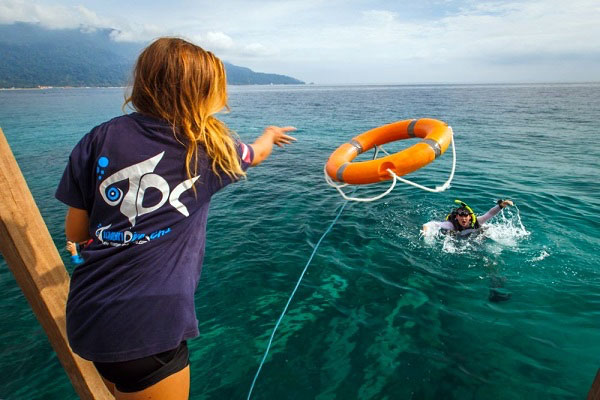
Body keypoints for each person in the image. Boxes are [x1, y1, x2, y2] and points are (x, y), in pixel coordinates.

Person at [55, 37, 296, 400]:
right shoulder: (211, 149)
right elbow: (256, 153)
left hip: (87, 315)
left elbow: (76, 230)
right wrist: (269, 135)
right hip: (148, 327)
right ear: (206, 92)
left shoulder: (98, 138)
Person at [422, 199, 514, 237]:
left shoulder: (478, 221)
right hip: (459, 235)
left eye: (465, 216)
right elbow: (431, 224)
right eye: (461, 216)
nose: (463, 219)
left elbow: (490, 214)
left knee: (485, 230)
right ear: (457, 217)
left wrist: (501, 205)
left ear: (470, 217)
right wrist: (425, 230)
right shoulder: (451, 225)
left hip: (475, 234)